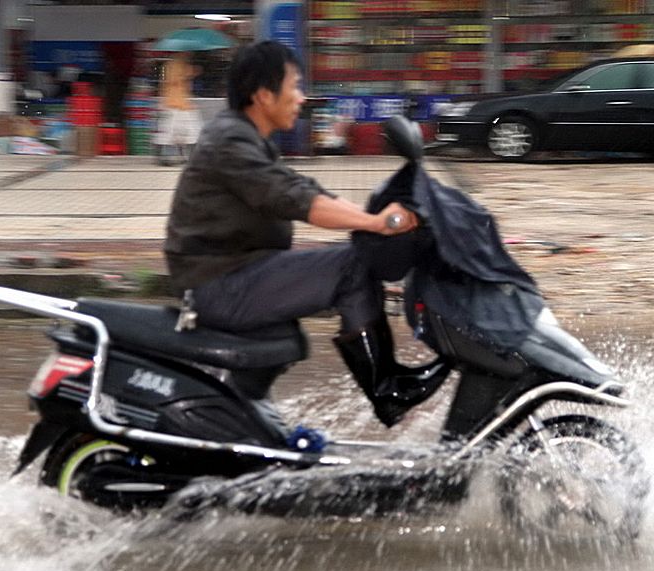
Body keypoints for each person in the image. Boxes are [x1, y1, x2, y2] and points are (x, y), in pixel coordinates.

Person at [164, 41, 449, 427]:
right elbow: (294, 198)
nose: (301, 97)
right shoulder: (230, 141)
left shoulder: (244, 136)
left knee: (343, 264)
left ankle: (241, 419)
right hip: (220, 284)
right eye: (295, 86)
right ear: (264, 95)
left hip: (232, 273)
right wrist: (377, 223)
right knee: (351, 267)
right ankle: (388, 389)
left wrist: (367, 214)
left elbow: (302, 187)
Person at [155, 52, 204, 165]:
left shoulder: (181, 64)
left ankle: (188, 156)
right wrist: (188, 74)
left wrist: (191, 72)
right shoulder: (171, 66)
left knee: (187, 131)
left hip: (183, 103)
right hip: (174, 103)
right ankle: (163, 156)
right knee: (172, 132)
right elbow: (172, 81)